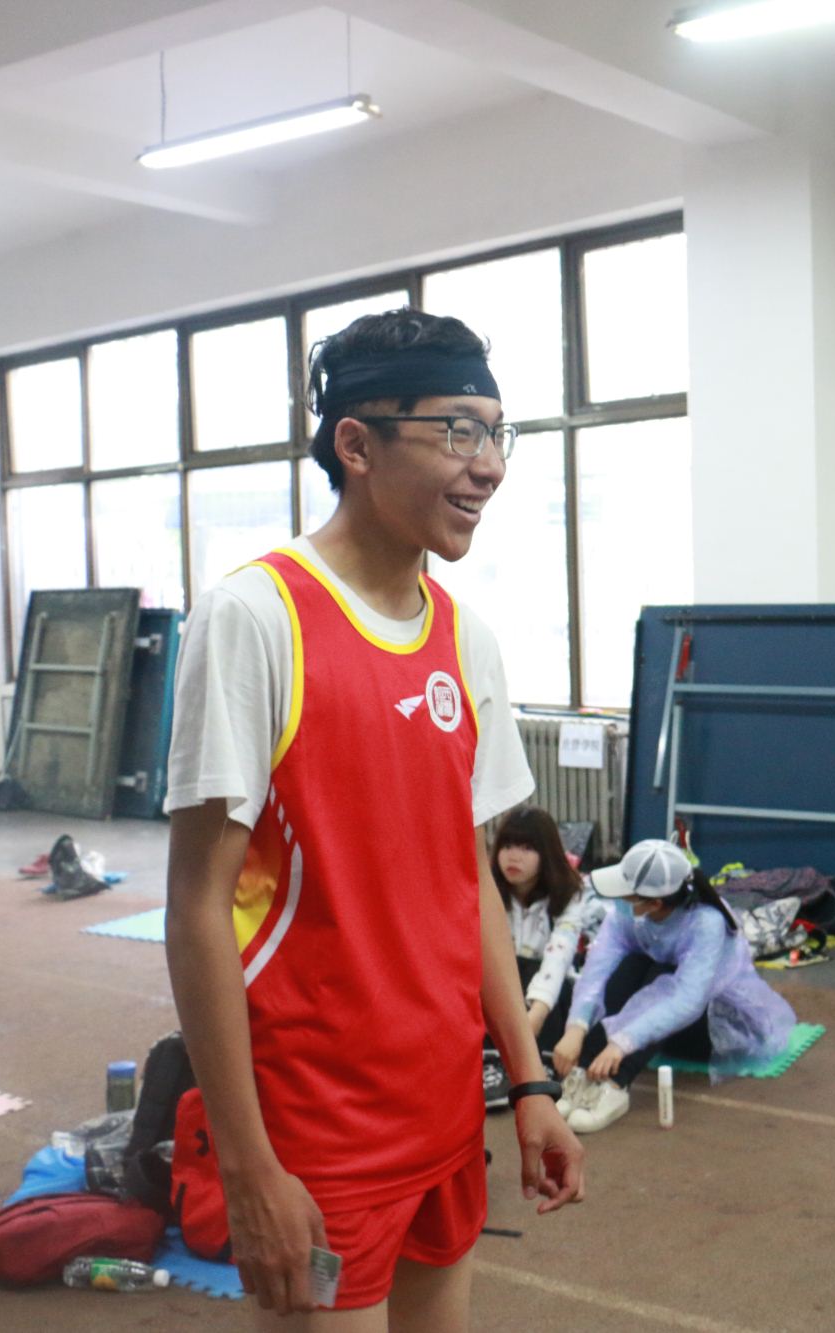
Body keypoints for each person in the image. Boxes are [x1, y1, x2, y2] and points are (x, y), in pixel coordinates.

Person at [163, 309, 584, 1329]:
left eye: (498, 433)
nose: (488, 465)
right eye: (457, 430)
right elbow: (196, 906)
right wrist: (249, 1163)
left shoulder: (466, 639)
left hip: (443, 1105)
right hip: (316, 1128)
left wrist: (529, 1084)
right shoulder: (256, 617)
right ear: (356, 444)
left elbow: (468, 880)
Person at [549, 839, 796, 1134]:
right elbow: (598, 967)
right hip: (662, 1024)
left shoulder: (706, 922)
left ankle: (615, 1082)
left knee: (663, 974)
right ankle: (585, 1070)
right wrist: (576, 1027)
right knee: (632, 963)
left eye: (627, 892)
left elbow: (686, 1000)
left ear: (655, 903)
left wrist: (621, 1043)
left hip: (712, 1028)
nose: (621, 899)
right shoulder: (631, 910)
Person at [491, 804, 606, 1050]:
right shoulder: (488, 892)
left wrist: (537, 1013)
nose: (514, 856)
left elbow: (559, 955)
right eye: (507, 846)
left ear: (547, 853)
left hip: (549, 996)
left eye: (527, 848)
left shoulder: (571, 894)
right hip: (500, 990)